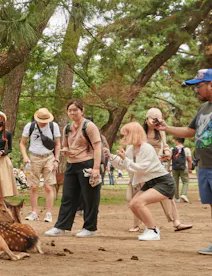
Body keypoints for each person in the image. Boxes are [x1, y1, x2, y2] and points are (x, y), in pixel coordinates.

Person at [156, 68, 212, 254]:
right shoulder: (203, 109)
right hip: (204, 165)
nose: (196, 90)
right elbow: (191, 132)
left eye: (199, 86)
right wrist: (166, 127)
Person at [107, 122, 176, 241]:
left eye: (126, 134)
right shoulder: (132, 148)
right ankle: (151, 227)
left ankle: (153, 230)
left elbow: (141, 168)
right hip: (150, 182)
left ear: (133, 134)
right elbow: (123, 165)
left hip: (163, 182)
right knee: (133, 204)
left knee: (139, 202)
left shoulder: (146, 148)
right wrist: (110, 156)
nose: (124, 138)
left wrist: (125, 159)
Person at [45, 100, 102, 238]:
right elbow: (65, 145)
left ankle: (90, 228)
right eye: (70, 110)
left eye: (75, 110)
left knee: (89, 197)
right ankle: (61, 226)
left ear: (82, 111)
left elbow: (98, 147)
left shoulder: (89, 126)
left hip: (87, 164)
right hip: (71, 164)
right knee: (68, 196)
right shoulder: (67, 127)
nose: (72, 113)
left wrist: (96, 168)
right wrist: (65, 150)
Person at [133, 109, 190, 232]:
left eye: (157, 119)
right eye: (153, 119)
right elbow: (134, 149)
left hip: (157, 167)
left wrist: (167, 153)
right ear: (146, 118)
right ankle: (137, 224)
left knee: (167, 195)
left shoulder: (160, 131)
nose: (155, 122)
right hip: (144, 168)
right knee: (139, 196)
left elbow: (165, 146)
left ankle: (176, 222)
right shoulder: (140, 132)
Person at [20, 107, 61, 223]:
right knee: (34, 186)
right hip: (34, 157)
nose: (43, 122)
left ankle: (48, 213)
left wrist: (56, 160)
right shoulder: (30, 126)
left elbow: (57, 144)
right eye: (41, 120)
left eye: (45, 120)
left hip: (49, 157)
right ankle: (34, 212)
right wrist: (25, 156)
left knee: (48, 186)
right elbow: (22, 143)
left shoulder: (54, 126)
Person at [171, 136, 192, 203]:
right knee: (185, 181)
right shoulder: (187, 149)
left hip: (174, 168)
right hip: (183, 167)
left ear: (177, 141)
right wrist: (190, 168)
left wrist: (169, 168)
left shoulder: (172, 149)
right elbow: (189, 160)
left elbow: (169, 159)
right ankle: (183, 194)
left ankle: (176, 198)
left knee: (175, 182)